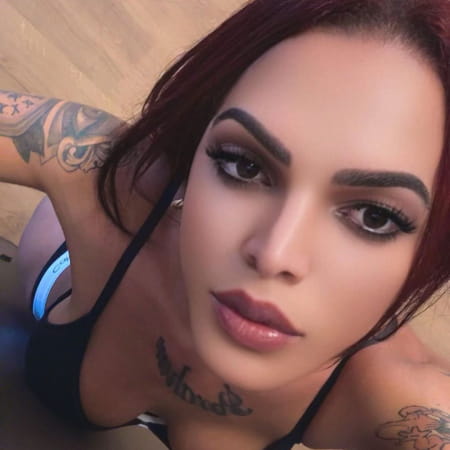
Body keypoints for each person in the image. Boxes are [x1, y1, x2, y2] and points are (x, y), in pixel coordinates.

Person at [1, 0, 449, 448]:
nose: (274, 254)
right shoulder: (114, 179)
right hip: (70, 264)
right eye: (244, 165)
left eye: (374, 217)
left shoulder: (400, 398)